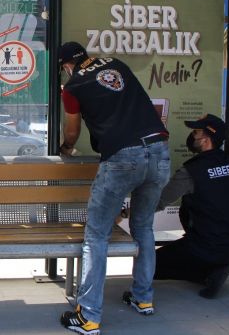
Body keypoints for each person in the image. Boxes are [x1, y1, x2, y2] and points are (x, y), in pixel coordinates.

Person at [58, 41, 171, 335]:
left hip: (123, 156)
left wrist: (66, 147)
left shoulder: (72, 87)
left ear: (67, 66)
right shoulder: (116, 64)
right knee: (143, 227)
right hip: (159, 149)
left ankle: (89, 317)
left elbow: (72, 131)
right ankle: (143, 299)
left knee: (96, 236)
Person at [154, 114, 229, 299]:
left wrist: (125, 212)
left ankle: (209, 272)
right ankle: (219, 265)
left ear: (206, 140)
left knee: (147, 267)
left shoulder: (192, 171)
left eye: (196, 132)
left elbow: (158, 201)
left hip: (206, 245)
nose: (192, 136)